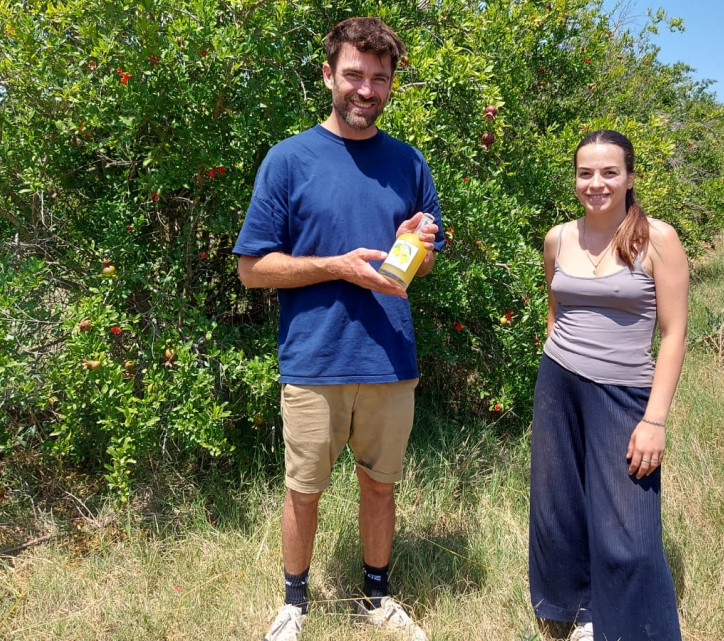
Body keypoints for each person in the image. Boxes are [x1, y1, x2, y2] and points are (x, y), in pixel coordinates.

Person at [232, 16, 443, 641]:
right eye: (354, 74)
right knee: (303, 490)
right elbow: (252, 269)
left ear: (392, 85)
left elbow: (422, 261)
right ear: (329, 75)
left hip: (389, 360)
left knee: (380, 487)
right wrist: (337, 266)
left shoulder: (408, 162)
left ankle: (376, 596)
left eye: (380, 78)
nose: (366, 89)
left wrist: (413, 250)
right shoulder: (288, 160)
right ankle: (294, 603)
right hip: (315, 358)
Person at [529, 130, 689, 641]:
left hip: (624, 393)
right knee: (560, 505)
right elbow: (555, 313)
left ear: (629, 177)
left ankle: (635, 628)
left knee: (630, 532)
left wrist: (654, 420)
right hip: (558, 382)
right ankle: (580, 612)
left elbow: (674, 333)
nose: (595, 183)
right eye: (585, 173)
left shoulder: (657, 239)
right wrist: (557, 366)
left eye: (608, 172)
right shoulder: (558, 237)